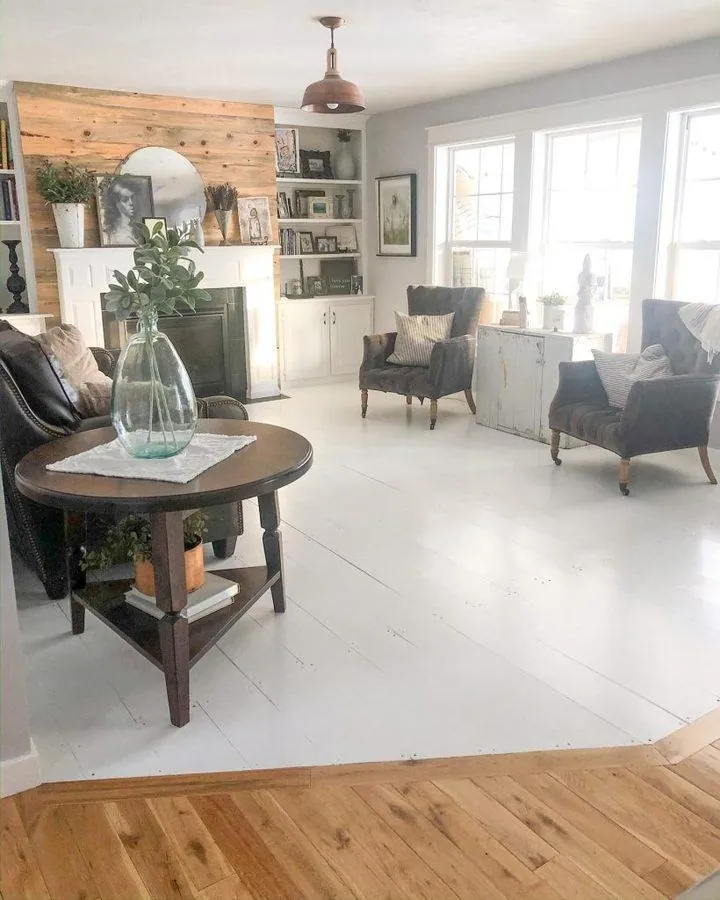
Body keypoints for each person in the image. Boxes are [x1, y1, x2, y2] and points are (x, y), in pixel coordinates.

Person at [103, 180, 140, 246]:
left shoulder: (139, 230)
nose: (131, 203)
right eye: (125, 199)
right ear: (115, 203)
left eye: (132, 198)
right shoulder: (108, 235)